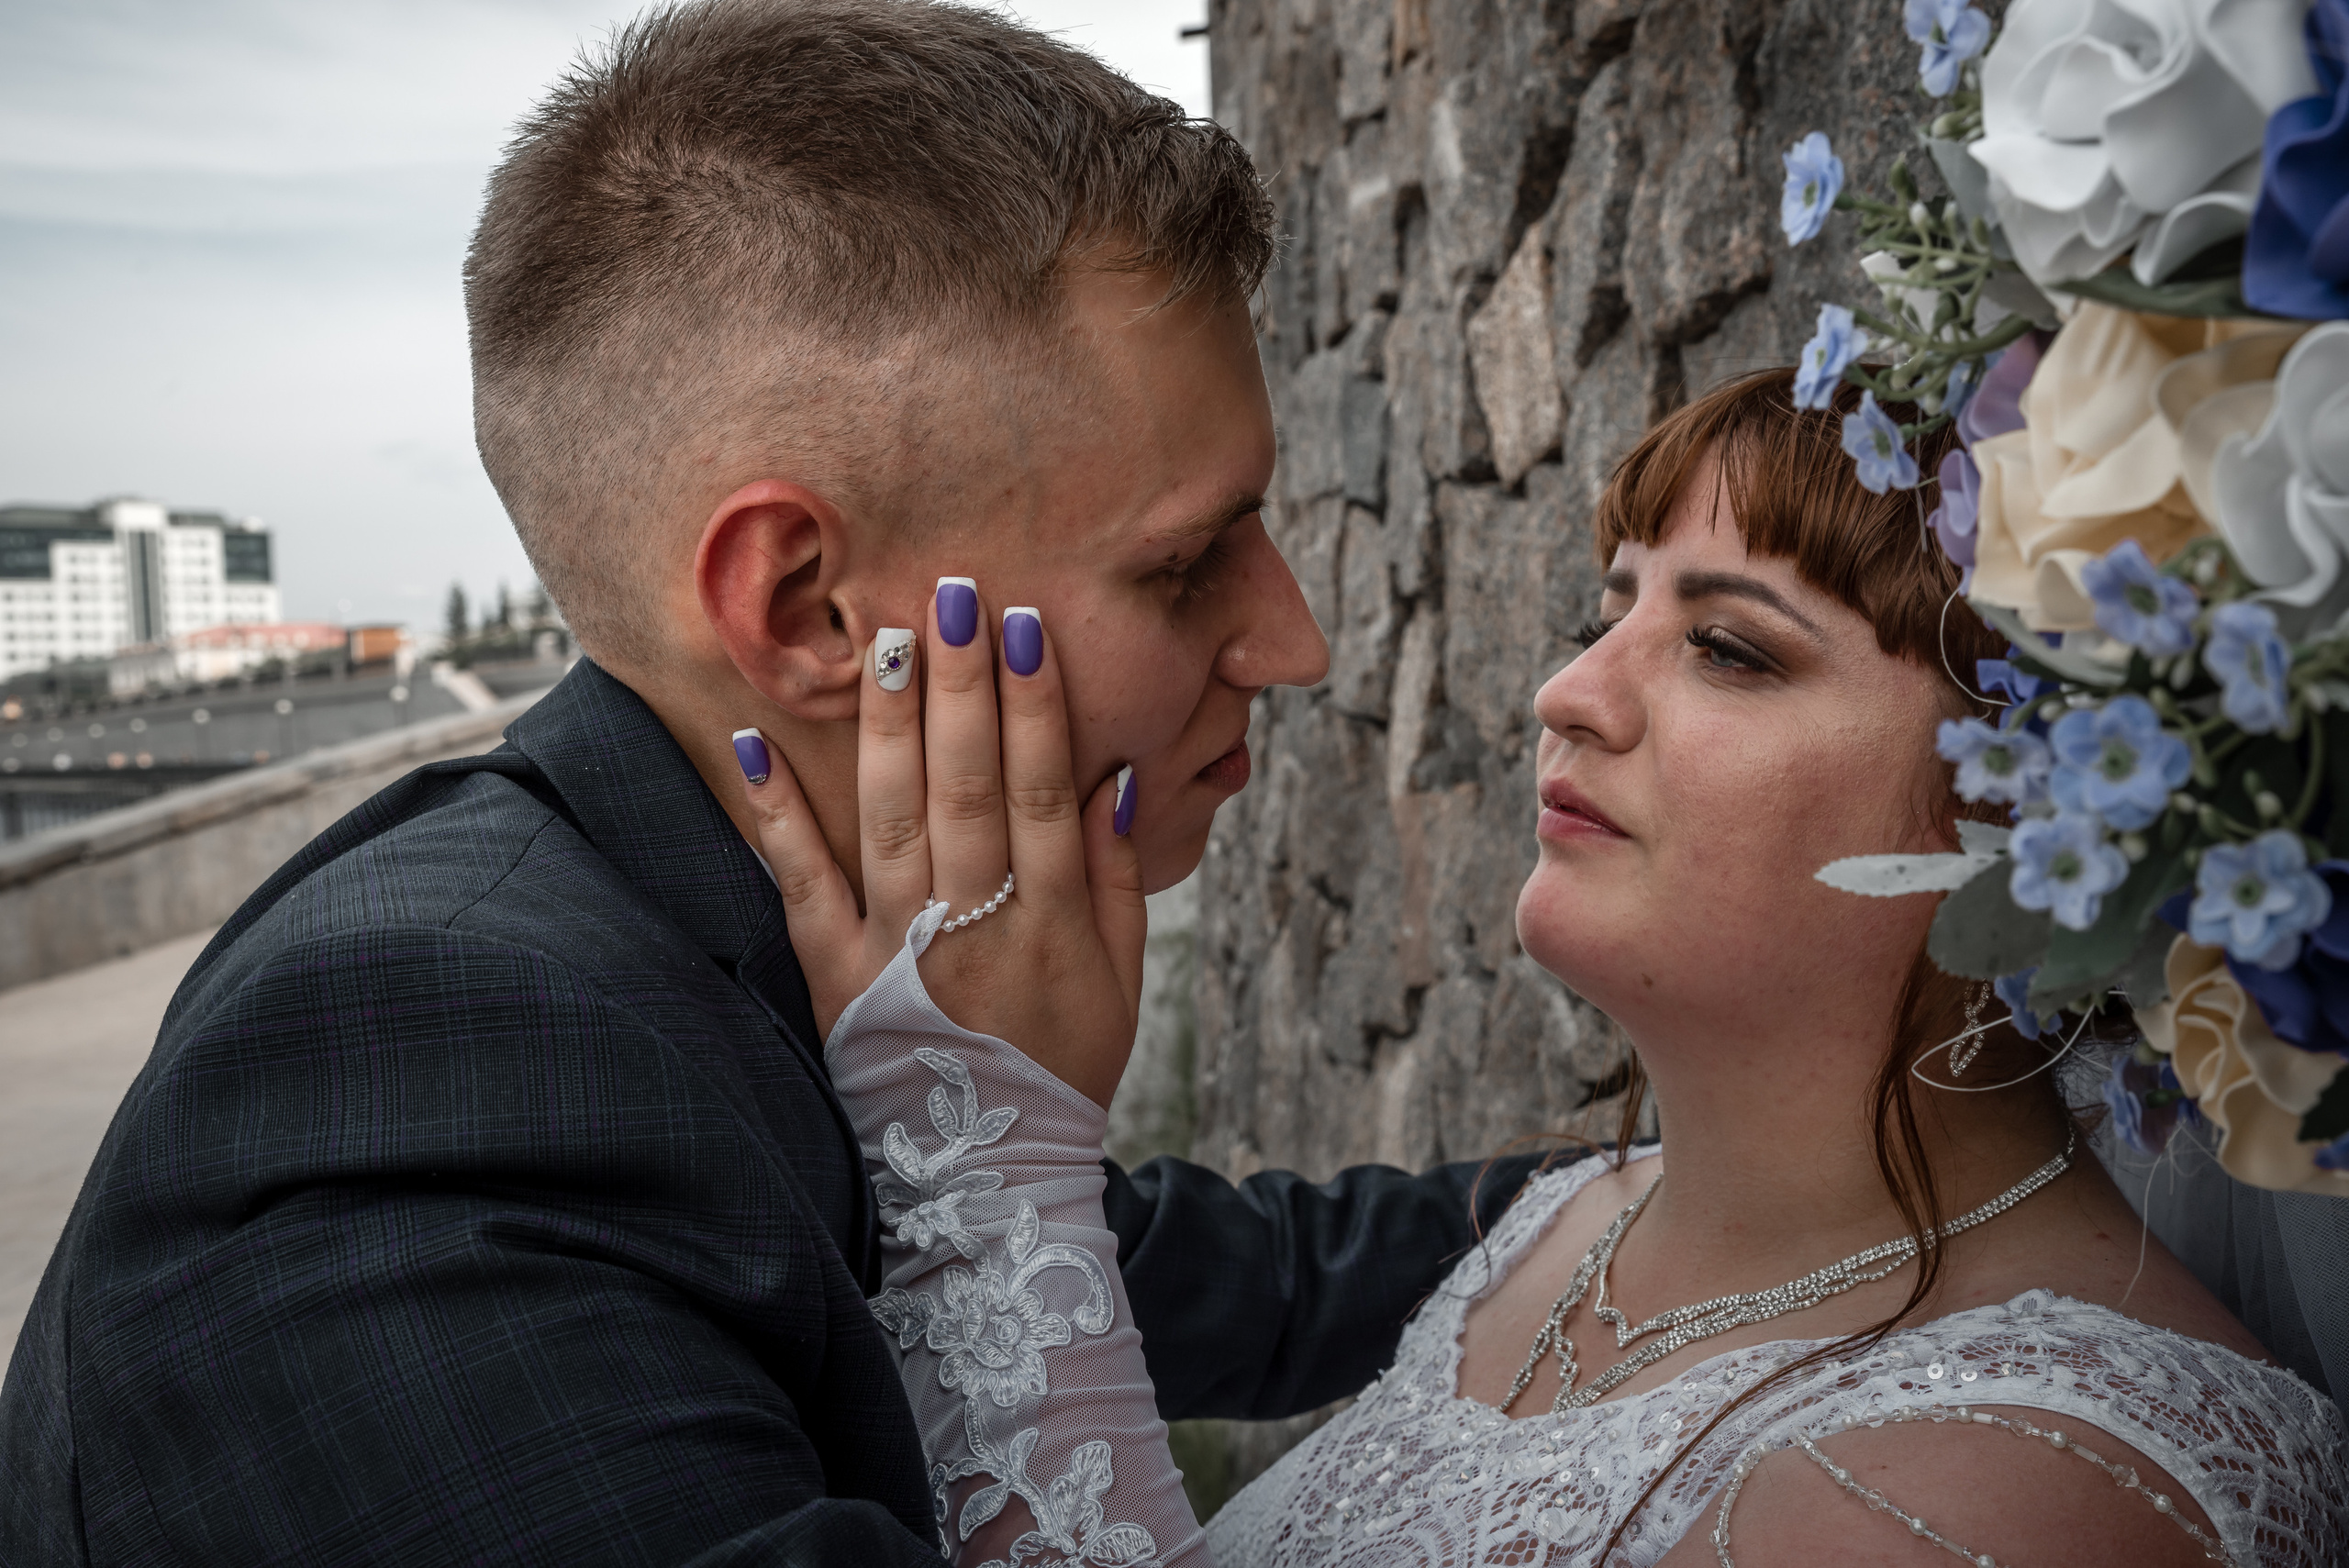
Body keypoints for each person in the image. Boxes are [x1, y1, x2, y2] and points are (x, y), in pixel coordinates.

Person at [0, 4, 1549, 1562]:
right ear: (805, 606)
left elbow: (1157, 1272)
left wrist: (1648, 1195)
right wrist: (993, 1167)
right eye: (1186, 561)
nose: (1295, 639)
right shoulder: (413, 1081)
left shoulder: (731, 945)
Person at [752, 370, 2349, 1566]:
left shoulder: (2018, 1482)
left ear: (2048, 805)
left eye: (1727, 645)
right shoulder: (1567, 1220)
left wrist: (996, 1186)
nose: (1568, 691)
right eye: (1613, 607)